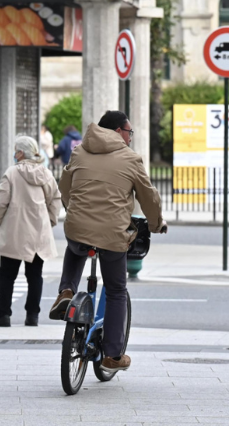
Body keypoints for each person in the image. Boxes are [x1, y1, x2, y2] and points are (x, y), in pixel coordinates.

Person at [49, 110, 166, 374]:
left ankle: (66, 290)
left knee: (75, 245)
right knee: (115, 290)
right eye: (129, 132)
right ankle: (112, 355)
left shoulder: (79, 152)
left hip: (78, 227)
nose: (130, 138)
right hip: (112, 235)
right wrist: (157, 224)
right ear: (117, 132)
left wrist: (74, 210)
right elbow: (149, 197)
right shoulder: (130, 158)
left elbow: (65, 187)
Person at [0, 136, 61, 327]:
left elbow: (0, 202)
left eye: (16, 151)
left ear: (20, 153)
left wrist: (0, 223)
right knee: (35, 275)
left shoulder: (12, 173)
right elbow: (55, 200)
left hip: (14, 231)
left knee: (6, 275)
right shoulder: (45, 173)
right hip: (38, 231)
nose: (14, 154)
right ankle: (32, 316)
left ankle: (4, 315)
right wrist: (50, 221)